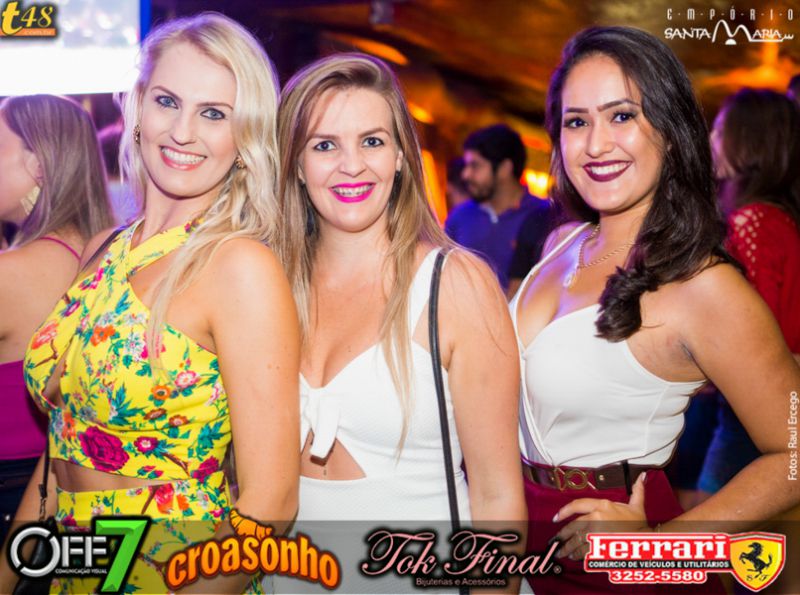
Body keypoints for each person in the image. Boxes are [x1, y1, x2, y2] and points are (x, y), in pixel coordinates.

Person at [0, 12, 299, 593]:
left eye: (214, 113)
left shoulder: (238, 266)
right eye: (167, 101)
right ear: (138, 109)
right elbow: (63, 444)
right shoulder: (103, 249)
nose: (183, 131)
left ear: (245, 138)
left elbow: (272, 500)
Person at [511, 26, 800, 594]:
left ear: (670, 131)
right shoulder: (563, 242)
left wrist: (663, 544)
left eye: (621, 116)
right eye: (576, 122)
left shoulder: (704, 286)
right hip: (525, 535)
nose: (596, 144)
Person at [275, 53, 526, 592]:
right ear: (295, 164)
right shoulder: (270, 285)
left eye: (372, 141)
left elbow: (498, 497)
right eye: (324, 145)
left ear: (401, 158)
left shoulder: (454, 284)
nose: (351, 165)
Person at [0, 94, 113, 547]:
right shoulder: (99, 254)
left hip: (13, 498)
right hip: (64, 498)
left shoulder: (13, 273)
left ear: (38, 165)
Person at [699, 88, 800, 498]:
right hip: (779, 402)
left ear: (750, 141)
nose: (711, 139)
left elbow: (752, 337)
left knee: (713, 521)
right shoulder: (780, 217)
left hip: (755, 410)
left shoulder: (750, 223)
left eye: (721, 129)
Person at [445, 124, 550, 292]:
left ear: (504, 169)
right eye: (466, 165)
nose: (465, 174)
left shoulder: (543, 217)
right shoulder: (460, 217)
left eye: (475, 166)